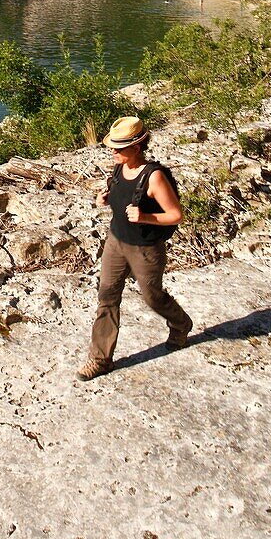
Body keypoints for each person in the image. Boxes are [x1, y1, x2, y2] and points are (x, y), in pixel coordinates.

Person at [77, 115, 192, 381]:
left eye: (118, 148)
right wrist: (103, 198)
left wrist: (146, 217)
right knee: (107, 297)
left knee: (152, 297)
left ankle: (180, 324)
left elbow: (175, 215)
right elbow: (118, 191)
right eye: (112, 146)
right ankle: (100, 360)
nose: (113, 152)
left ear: (136, 148)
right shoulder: (119, 168)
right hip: (115, 243)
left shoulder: (154, 177)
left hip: (145, 250)